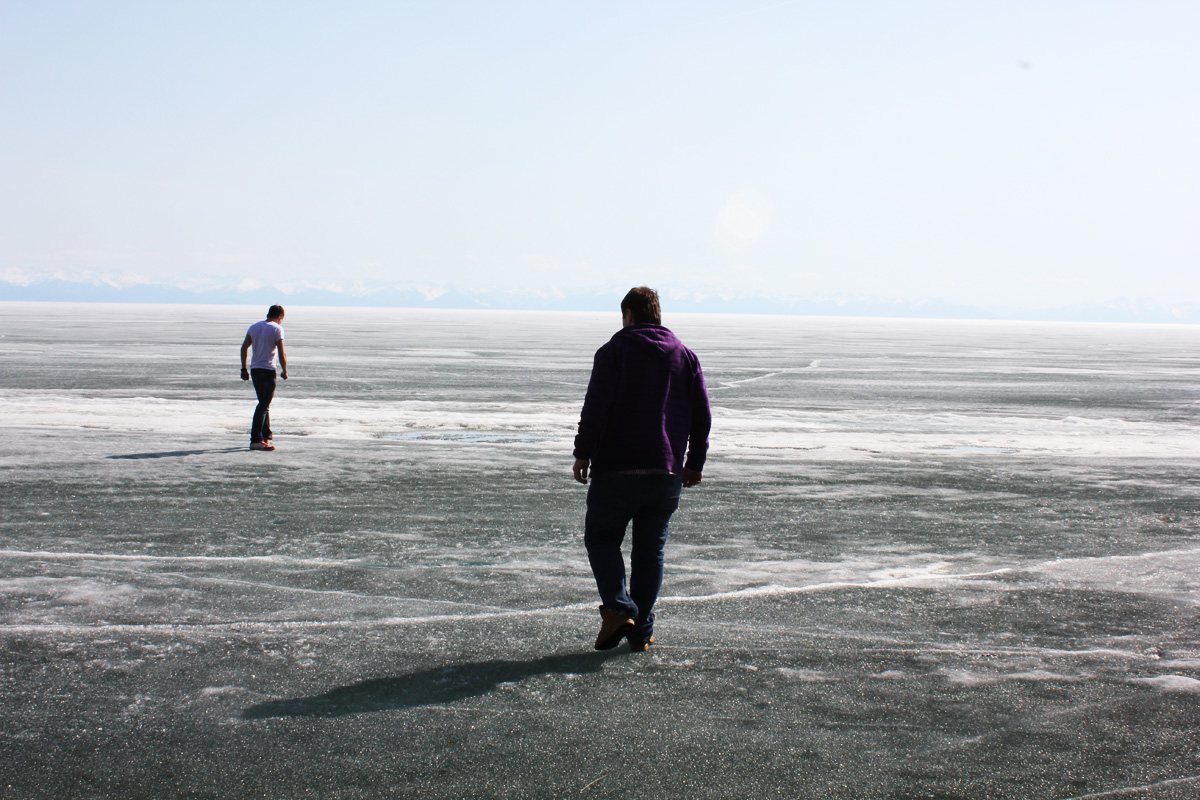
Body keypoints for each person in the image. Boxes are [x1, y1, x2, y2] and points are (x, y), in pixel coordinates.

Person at [572, 287, 711, 652]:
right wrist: (694, 463)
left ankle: (620, 609)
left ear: (629, 315)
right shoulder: (685, 356)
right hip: (666, 472)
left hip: (616, 468)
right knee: (650, 553)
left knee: (602, 539)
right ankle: (641, 630)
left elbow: (596, 407)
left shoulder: (614, 351)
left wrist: (583, 453)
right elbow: (702, 416)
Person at [240, 305, 288, 451]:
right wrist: (284, 370)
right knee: (263, 405)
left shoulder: (254, 327)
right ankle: (255, 440)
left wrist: (244, 369)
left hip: (255, 370)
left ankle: (266, 436)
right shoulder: (277, 329)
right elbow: (281, 352)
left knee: (264, 403)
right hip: (267, 370)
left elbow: (244, 347)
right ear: (280, 316)